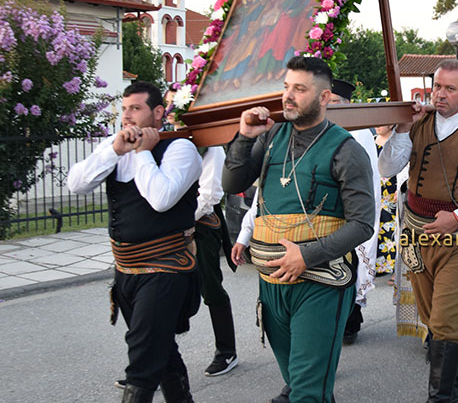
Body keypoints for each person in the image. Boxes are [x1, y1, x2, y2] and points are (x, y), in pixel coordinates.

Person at [224, 56, 375, 403]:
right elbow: (232, 182)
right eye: (286, 87)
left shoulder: (346, 149)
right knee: (299, 380)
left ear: (324, 98)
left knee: (307, 391)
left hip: (320, 281)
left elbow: (362, 223)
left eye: (300, 89)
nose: (288, 97)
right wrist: (245, 137)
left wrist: (306, 256)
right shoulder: (272, 136)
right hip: (272, 279)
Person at [378, 59, 458, 402]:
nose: (441, 94)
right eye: (437, 86)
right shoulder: (418, 124)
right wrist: (403, 129)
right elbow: (387, 168)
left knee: (448, 319)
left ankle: (439, 397)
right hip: (417, 233)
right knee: (431, 317)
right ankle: (453, 389)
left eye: (450, 88)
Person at [67, 81, 203, 403]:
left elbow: (161, 199)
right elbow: (76, 184)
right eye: (124, 108)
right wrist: (115, 151)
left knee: (141, 361)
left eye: (136, 109)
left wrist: (143, 154)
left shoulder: (179, 148)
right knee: (161, 350)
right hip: (126, 270)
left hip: (165, 268)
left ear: (158, 113)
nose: (127, 116)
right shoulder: (115, 146)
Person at [165, 87, 239, 378]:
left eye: (176, 110)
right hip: (169, 229)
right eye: (169, 109)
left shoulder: (210, 146)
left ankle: (227, 351)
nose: (171, 116)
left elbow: (209, 195)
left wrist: (180, 220)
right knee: (161, 291)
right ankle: (155, 359)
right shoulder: (166, 143)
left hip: (200, 226)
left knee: (210, 287)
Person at [329, 79, 382, 346]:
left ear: (346, 105)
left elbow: (370, 177)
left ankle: (350, 320)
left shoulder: (359, 132)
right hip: (327, 213)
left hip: (351, 212)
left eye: (335, 103)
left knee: (350, 265)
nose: (330, 107)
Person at [374, 124, 406, 276]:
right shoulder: (372, 141)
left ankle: (389, 264)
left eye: (381, 123)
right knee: (376, 226)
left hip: (392, 189)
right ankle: (374, 263)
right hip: (375, 189)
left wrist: (400, 187)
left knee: (390, 226)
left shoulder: (395, 143)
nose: (377, 127)